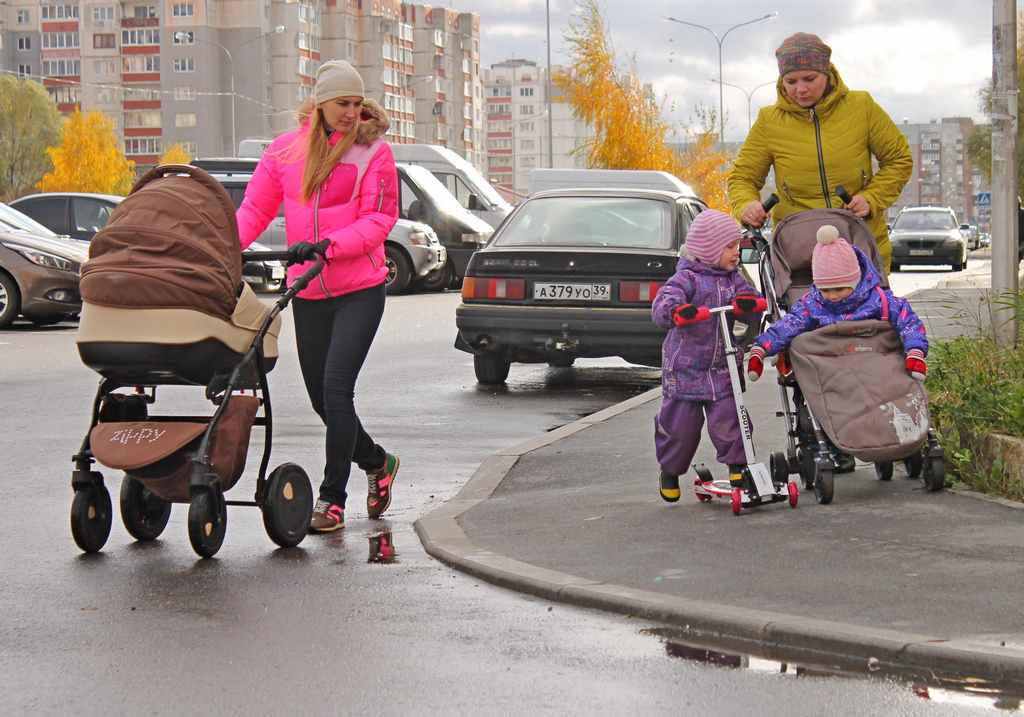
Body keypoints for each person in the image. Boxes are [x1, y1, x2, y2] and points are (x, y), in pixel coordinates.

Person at [236, 60, 400, 532]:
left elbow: (379, 219)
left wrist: (330, 246)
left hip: (359, 290)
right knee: (321, 401)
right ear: (321, 103)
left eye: (357, 103)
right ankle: (378, 462)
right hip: (309, 290)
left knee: (336, 389)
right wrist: (223, 248)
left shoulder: (373, 153)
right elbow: (254, 210)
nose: (352, 112)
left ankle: (332, 501)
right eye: (343, 103)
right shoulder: (285, 152)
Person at [728, 32, 912, 274]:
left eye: (809, 78)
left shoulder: (862, 107)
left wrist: (871, 198)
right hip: (798, 253)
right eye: (791, 81)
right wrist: (746, 205)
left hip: (860, 245)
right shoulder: (768, 121)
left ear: (827, 73)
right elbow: (742, 178)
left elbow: (899, 159)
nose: (800, 89)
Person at [651, 210, 765, 502]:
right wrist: (677, 311)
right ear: (709, 249)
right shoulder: (686, 278)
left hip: (722, 366)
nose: (736, 253)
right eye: (729, 247)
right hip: (685, 368)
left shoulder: (733, 279)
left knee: (731, 419)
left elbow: (750, 298)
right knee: (679, 429)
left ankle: (738, 466)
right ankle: (670, 470)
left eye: (737, 246)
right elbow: (665, 301)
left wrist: (748, 304)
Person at [746, 225, 928, 385]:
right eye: (825, 290)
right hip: (831, 373)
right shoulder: (813, 304)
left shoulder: (879, 300)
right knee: (798, 339)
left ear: (855, 281)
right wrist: (761, 348)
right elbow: (787, 325)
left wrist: (915, 350)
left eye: (840, 289)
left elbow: (909, 322)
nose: (832, 296)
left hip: (875, 367)